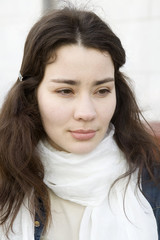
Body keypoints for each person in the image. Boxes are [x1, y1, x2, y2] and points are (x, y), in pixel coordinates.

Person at [0, 6, 160, 240]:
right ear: (32, 94)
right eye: (65, 91)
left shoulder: (151, 185)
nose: (86, 112)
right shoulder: (6, 179)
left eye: (102, 90)